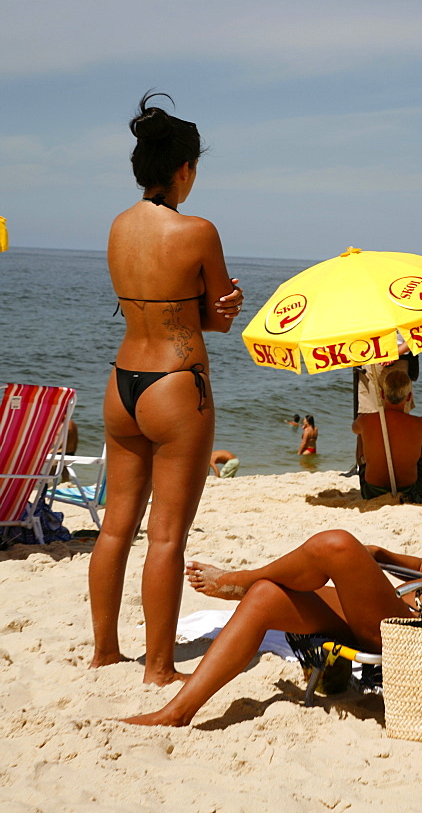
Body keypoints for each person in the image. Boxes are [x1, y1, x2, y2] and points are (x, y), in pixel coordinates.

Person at [122, 450, 422, 726]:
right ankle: (179, 711)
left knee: (334, 543)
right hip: (391, 607)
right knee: (268, 597)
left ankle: (241, 577)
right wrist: (380, 555)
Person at [88, 92, 243, 686]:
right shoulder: (198, 230)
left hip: (122, 380)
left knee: (114, 528)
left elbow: (151, 308)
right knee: (168, 536)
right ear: (184, 169)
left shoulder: (118, 227)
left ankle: (104, 652)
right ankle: (157, 669)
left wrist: (205, 309)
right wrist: (224, 306)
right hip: (176, 384)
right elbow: (215, 317)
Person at [352, 370, 422, 502]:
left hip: (371, 491)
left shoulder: (366, 420)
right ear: (409, 397)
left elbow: (354, 428)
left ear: (381, 394)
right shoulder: (420, 423)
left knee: (360, 436)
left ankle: (363, 468)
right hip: (410, 489)